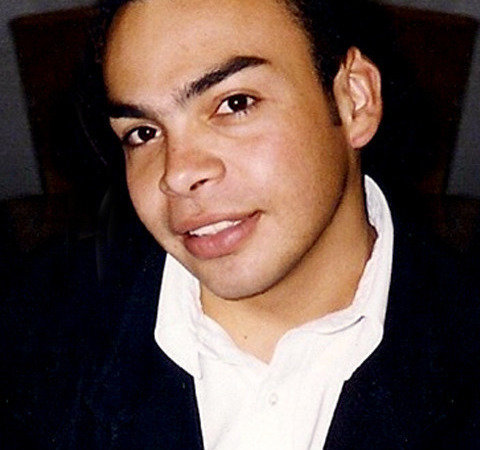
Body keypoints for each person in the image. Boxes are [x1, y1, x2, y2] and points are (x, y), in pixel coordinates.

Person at [3, 0, 480, 448]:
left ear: (353, 99)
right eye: (143, 133)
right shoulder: (34, 331)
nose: (177, 174)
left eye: (234, 103)